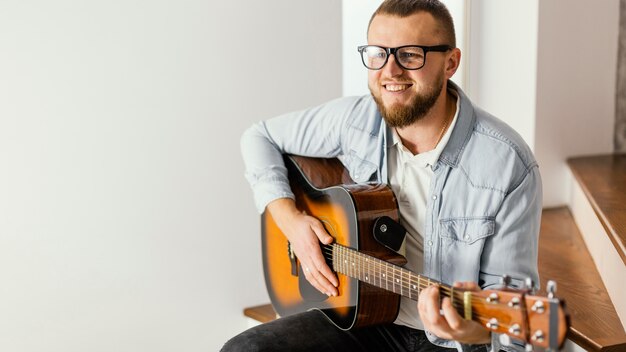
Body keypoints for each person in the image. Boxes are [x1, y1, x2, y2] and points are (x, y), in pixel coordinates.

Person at [224, 0, 541, 351]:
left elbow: (515, 327)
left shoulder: (507, 164)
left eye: (409, 55)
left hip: (450, 344)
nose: (389, 71)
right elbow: (259, 136)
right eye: (377, 53)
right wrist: (292, 221)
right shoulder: (358, 117)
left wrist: (474, 332)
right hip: (366, 315)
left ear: (450, 62)